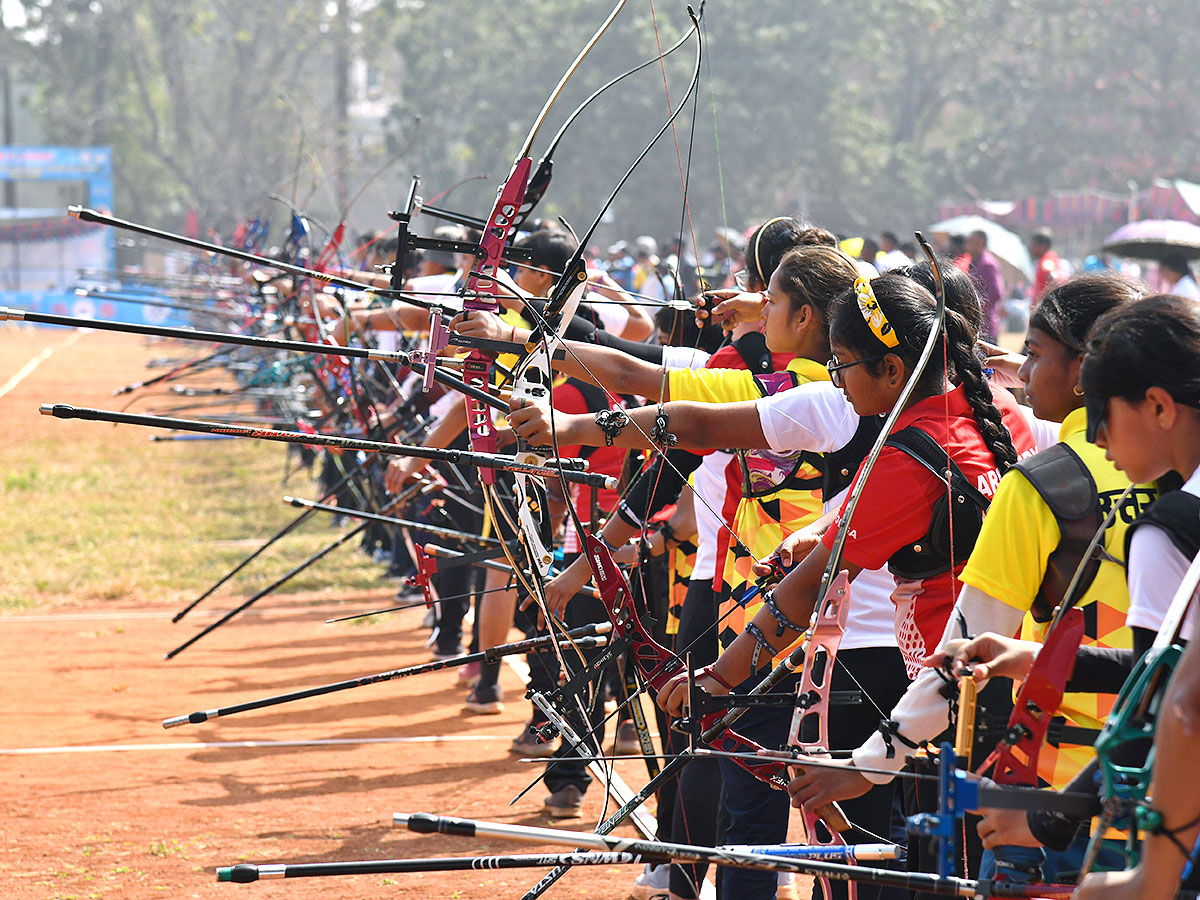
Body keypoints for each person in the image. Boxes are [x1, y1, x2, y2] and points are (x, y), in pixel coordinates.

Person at [966, 229, 1006, 341]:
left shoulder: (988, 264)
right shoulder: (974, 262)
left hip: (986, 325)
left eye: (971, 241)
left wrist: (978, 308)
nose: (967, 245)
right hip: (975, 323)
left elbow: (996, 293)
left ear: (981, 243)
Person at [1027, 229, 1062, 306]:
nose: (1031, 248)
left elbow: (1053, 278)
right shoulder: (1050, 257)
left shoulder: (1046, 259)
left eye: (1033, 245)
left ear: (1043, 246)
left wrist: (1045, 303)